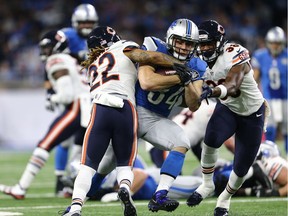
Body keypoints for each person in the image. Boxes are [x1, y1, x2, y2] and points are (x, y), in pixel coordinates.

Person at [61, 26, 196, 216]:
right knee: (125, 163)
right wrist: (179, 65)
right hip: (126, 109)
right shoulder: (124, 46)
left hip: (100, 108)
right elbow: (149, 58)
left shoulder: (92, 66)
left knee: (90, 165)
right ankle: (125, 188)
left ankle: (75, 207)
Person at [186, 20, 269, 216]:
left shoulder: (234, 52)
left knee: (241, 168)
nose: (205, 48)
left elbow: (232, 86)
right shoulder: (196, 59)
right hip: (228, 108)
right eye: (202, 44)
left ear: (220, 42)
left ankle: (224, 199)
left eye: (209, 44)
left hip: (253, 113)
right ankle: (207, 185)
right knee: (210, 141)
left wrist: (212, 91)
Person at [0, 30, 91, 200]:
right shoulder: (72, 59)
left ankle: (21, 188)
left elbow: (66, 95)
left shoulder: (56, 60)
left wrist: (52, 98)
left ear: (58, 46)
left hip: (77, 108)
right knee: (79, 153)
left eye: (48, 47)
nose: (45, 51)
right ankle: (73, 189)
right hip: (89, 108)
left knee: (44, 145)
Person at [135, 18, 206, 212]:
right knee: (105, 163)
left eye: (189, 43)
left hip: (156, 119)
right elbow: (146, 82)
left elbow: (193, 104)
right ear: (169, 39)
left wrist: (188, 81)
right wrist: (178, 75)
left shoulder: (198, 65)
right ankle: (82, 195)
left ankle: (160, 195)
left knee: (181, 141)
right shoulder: (154, 46)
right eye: (180, 41)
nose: (184, 47)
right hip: (130, 113)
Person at [50, 3, 99, 196]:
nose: (86, 25)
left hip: (92, 92)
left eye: (90, 22)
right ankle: (60, 177)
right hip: (72, 91)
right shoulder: (66, 36)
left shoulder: (98, 37)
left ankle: (71, 177)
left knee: (83, 137)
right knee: (65, 139)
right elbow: (52, 61)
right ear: (75, 22)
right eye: (83, 22)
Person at [251, 26, 287, 153]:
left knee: (286, 131)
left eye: (277, 43)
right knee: (269, 130)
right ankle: (270, 157)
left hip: (286, 98)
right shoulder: (260, 56)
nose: (275, 46)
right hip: (269, 98)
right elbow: (255, 77)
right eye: (272, 43)